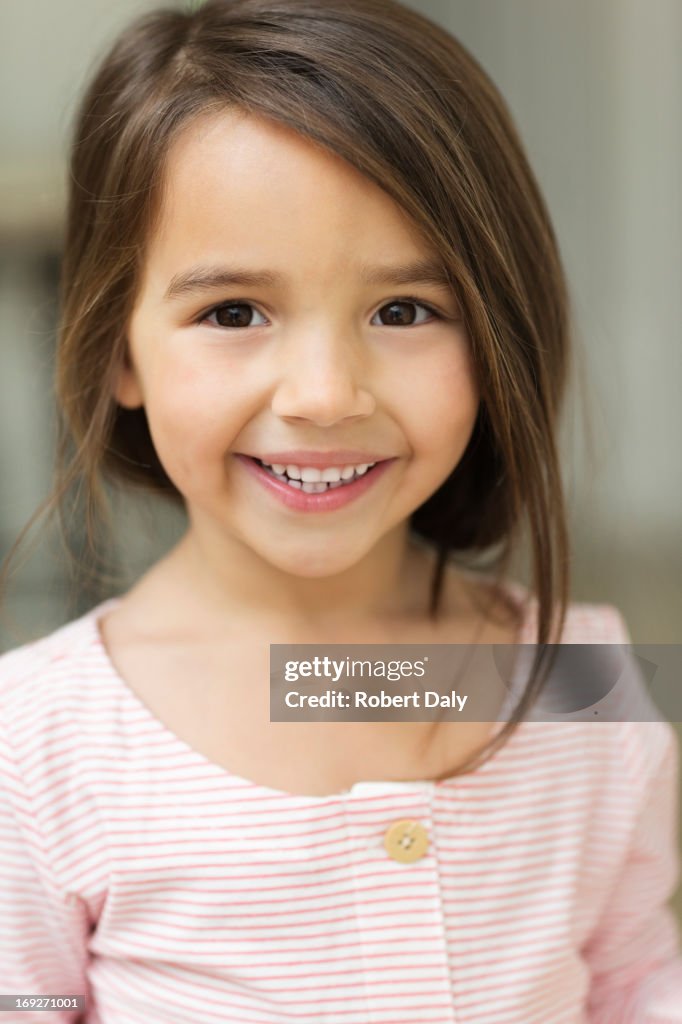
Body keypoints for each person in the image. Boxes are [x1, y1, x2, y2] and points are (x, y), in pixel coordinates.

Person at [1, 0, 680, 1020]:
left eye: (402, 310)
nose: (323, 394)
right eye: (233, 312)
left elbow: (634, 978)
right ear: (115, 350)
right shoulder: (37, 742)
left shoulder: (579, 679)